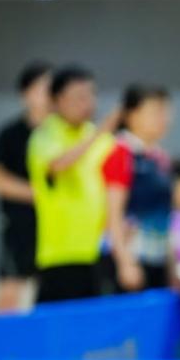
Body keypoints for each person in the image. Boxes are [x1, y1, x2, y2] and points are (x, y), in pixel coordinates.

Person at [27, 65, 118, 304]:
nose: (87, 103)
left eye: (91, 95)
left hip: (99, 251)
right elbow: (58, 164)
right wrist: (98, 135)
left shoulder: (103, 139)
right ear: (57, 100)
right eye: (78, 97)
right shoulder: (45, 135)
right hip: (60, 256)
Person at [0, 61, 52, 311]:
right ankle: (3, 337)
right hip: (20, 226)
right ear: (26, 93)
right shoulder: (11, 134)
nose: (47, 94)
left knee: (51, 292)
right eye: (42, 88)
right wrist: (39, 194)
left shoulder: (61, 134)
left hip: (55, 228)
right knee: (10, 292)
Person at [103, 84, 174, 292]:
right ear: (131, 115)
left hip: (157, 257)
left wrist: (172, 265)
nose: (163, 118)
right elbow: (113, 214)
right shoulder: (120, 153)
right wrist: (125, 262)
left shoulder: (160, 157)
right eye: (155, 112)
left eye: (165, 111)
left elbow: (166, 215)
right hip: (130, 259)